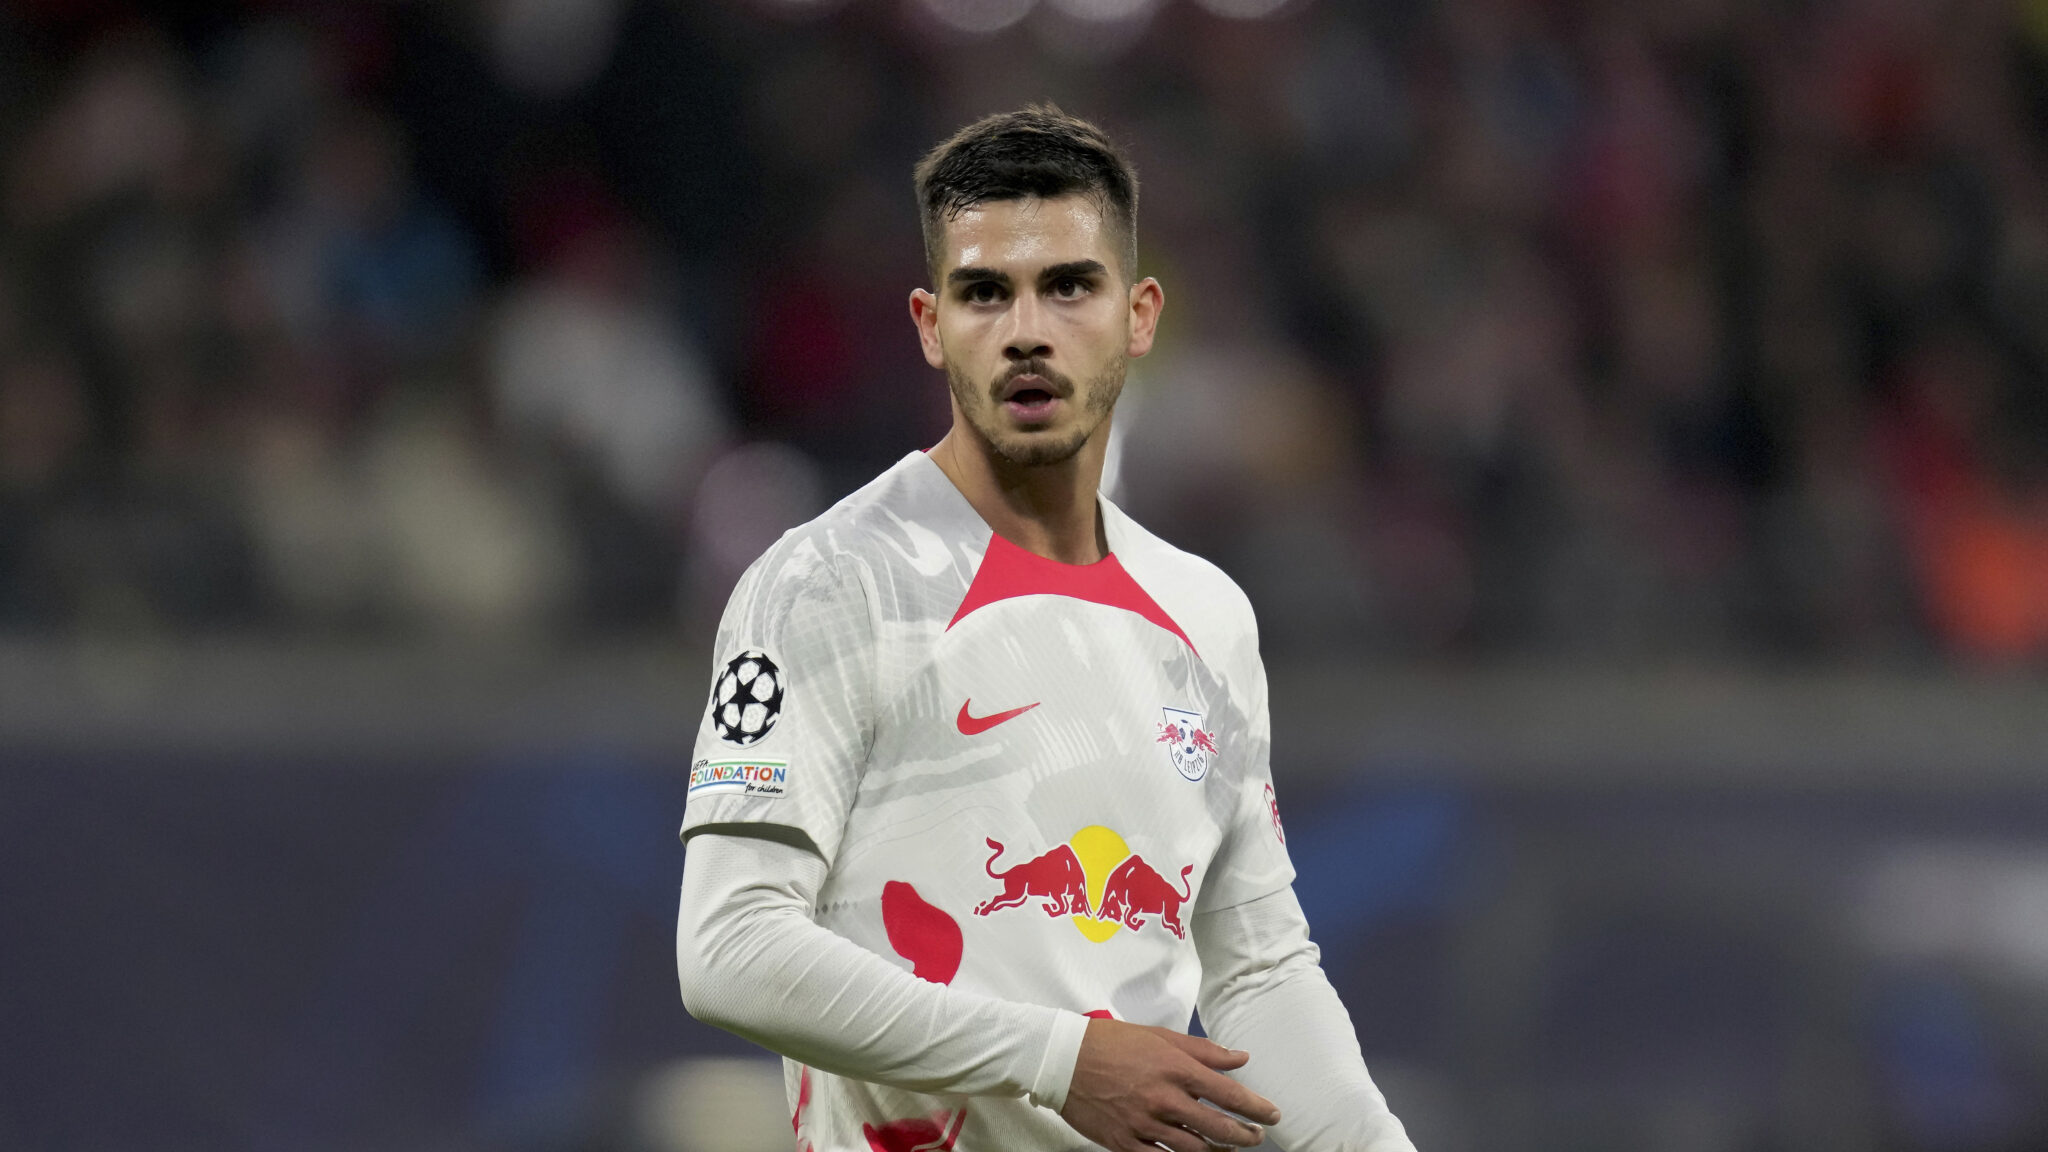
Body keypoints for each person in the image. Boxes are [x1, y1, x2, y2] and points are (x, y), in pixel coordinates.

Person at [676, 105, 1416, 1152]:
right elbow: (729, 948)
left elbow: (1258, 972)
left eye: (1070, 286)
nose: (1027, 329)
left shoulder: (1205, 614)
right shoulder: (827, 584)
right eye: (985, 292)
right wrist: (1058, 1059)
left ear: (1140, 315)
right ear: (930, 325)